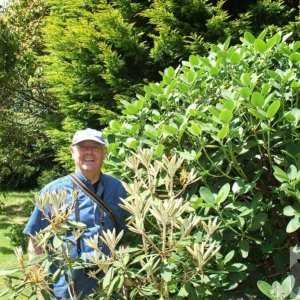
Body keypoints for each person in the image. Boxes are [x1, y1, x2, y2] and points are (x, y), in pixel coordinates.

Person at [23, 128, 128, 299]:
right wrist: (41, 290)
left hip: (109, 288)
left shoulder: (118, 189)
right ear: (72, 152)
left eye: (95, 147)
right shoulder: (53, 192)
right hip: (67, 290)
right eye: (82, 147)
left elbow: (124, 237)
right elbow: (36, 241)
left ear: (104, 153)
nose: (89, 152)